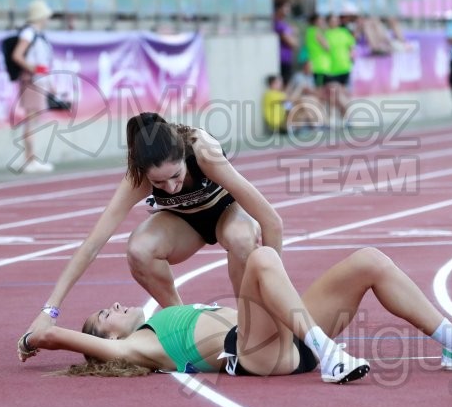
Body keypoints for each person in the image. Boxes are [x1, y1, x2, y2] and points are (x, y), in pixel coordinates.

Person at [17, 246, 452, 381]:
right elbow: (59, 339)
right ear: (106, 341)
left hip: (285, 335)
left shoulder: (165, 314)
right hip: (256, 354)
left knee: (369, 261)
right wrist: (40, 332)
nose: (116, 306)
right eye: (105, 314)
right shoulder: (137, 347)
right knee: (260, 258)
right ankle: (329, 353)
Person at [20, 112, 284, 341]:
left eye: (176, 176)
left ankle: (250, 327)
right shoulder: (136, 177)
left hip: (226, 212)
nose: (170, 187)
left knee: (241, 239)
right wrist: (49, 311)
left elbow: (272, 221)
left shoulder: (203, 151)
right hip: (185, 224)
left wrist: (278, 296)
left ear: (183, 155)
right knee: (139, 249)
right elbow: (92, 245)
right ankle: (185, 327)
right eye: (159, 183)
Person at [11, 0, 57, 173]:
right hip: (32, 80)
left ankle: (31, 158)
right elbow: (18, 55)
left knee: (33, 119)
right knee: (31, 119)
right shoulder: (29, 33)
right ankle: (30, 159)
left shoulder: (37, 34)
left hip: (38, 79)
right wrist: (34, 70)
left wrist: (47, 79)